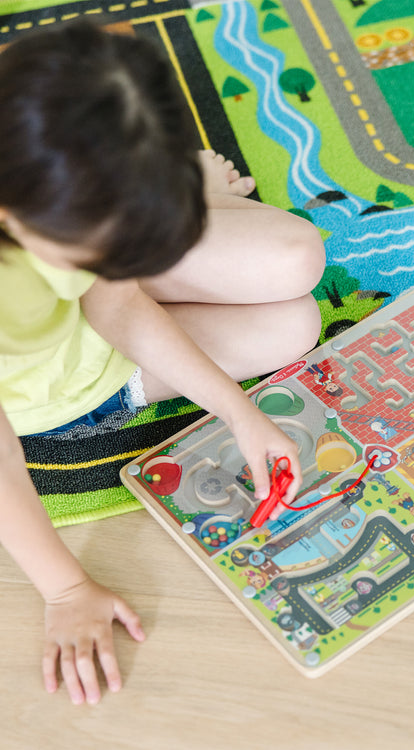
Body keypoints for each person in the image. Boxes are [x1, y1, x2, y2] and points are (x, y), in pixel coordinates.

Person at [0, 21, 325, 704]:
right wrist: (65, 588)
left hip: (86, 319)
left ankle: (189, 201)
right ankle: (191, 205)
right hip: (68, 392)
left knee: (301, 274)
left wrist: (239, 413)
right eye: (102, 250)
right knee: (291, 322)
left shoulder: (43, 136)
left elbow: (116, 307)